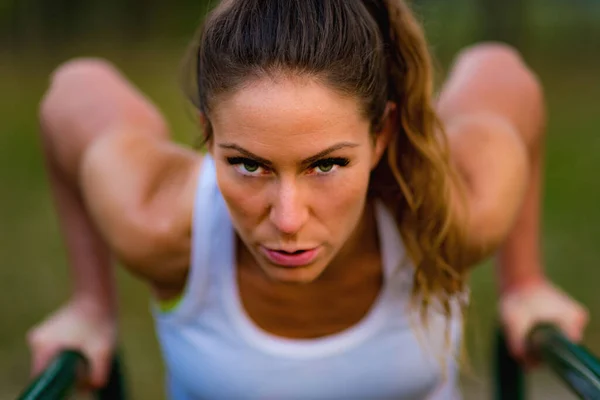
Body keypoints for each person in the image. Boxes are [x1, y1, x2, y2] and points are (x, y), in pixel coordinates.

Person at [27, 0, 588, 398]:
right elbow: (74, 91)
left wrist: (525, 282)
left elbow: (502, 74)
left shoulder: (450, 215)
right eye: (248, 164)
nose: (288, 219)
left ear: (381, 137)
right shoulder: (160, 226)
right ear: (207, 135)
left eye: (327, 164)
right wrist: (91, 305)